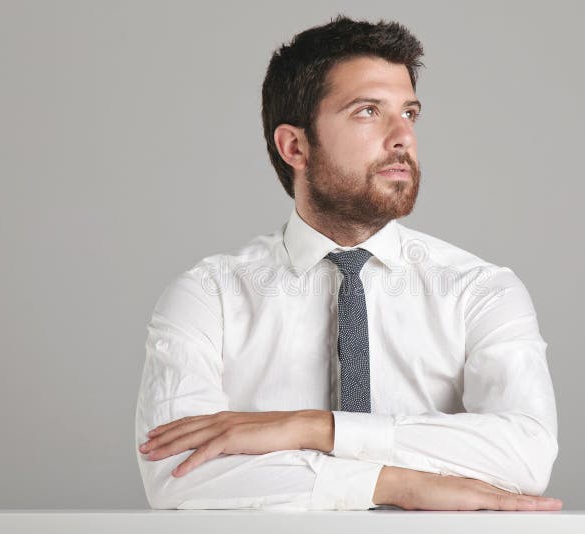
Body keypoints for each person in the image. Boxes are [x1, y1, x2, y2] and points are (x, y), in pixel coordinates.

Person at [134, 15, 562, 512]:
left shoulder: (481, 290)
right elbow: (177, 473)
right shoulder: (209, 296)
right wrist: (397, 484)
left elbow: (526, 454)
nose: (402, 136)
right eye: (367, 112)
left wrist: (314, 427)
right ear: (295, 146)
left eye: (410, 113)